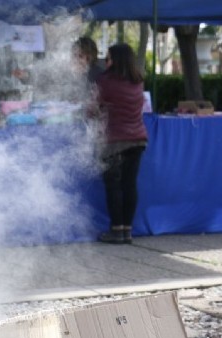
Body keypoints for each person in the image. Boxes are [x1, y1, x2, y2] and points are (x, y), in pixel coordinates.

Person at [95, 42, 148, 244]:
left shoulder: (105, 81)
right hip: (138, 139)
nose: (106, 61)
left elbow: (92, 108)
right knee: (129, 185)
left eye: (107, 58)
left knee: (113, 186)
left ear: (114, 60)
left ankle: (116, 230)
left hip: (114, 140)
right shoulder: (138, 81)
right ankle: (127, 231)